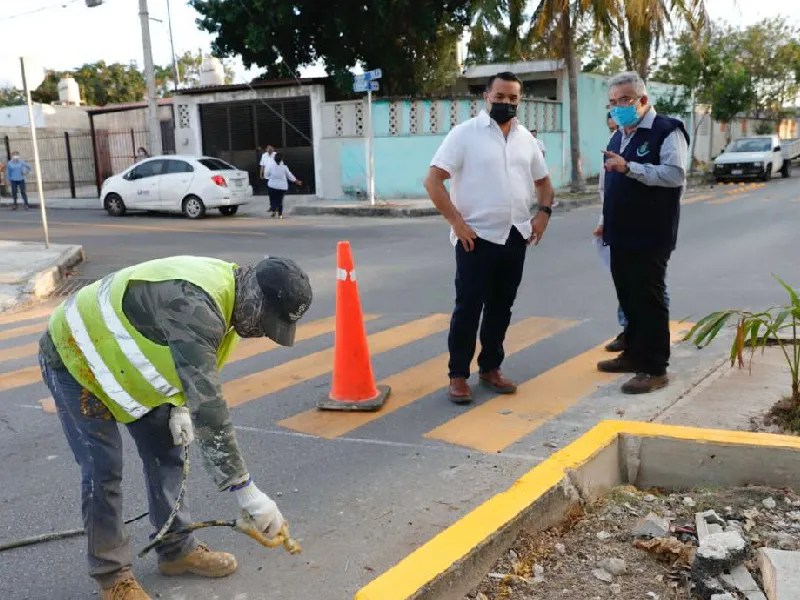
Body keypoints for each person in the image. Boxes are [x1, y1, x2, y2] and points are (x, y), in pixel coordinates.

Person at [38, 255, 313, 600]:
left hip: (122, 367)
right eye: (266, 322)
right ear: (255, 296)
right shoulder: (195, 306)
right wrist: (248, 494)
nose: (262, 333)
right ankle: (113, 577)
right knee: (102, 470)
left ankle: (176, 550)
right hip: (75, 358)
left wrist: (179, 406)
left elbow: (187, 367)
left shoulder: (233, 303)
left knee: (168, 452)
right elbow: (210, 411)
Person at [424, 71, 555, 404]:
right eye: (500, 97)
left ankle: (490, 368)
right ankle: (458, 375)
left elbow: (544, 183)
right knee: (468, 307)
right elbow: (433, 181)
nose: (506, 103)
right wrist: (457, 222)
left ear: (519, 100)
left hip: (515, 235)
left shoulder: (526, 138)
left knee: (502, 307)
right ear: (486, 96)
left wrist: (543, 214)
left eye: (513, 98)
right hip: (475, 238)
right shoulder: (464, 134)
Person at [596, 71, 689, 394]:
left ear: (643, 100)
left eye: (624, 100)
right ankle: (633, 353)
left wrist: (630, 168)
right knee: (628, 295)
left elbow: (674, 174)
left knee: (648, 298)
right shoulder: (620, 134)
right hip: (619, 231)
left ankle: (654, 367)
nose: (617, 108)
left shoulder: (666, 130)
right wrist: (603, 216)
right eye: (613, 103)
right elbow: (608, 183)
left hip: (651, 232)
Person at [266, 152, 302, 219]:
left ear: (274, 159)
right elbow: (290, 176)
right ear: (282, 159)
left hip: (272, 186)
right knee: (280, 200)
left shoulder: (271, 167)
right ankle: (280, 215)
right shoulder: (284, 167)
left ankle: (273, 209)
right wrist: (296, 181)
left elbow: (267, 175)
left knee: (273, 199)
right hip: (282, 187)